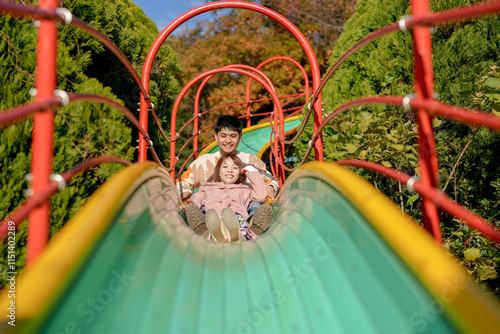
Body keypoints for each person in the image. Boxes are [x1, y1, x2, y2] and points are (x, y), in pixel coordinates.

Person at [176, 115, 278, 236]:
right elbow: (183, 182)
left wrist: (269, 193)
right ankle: (204, 229)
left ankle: (252, 228)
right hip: (212, 211)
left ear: (240, 138)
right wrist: (188, 200)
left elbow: (270, 182)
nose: (228, 140)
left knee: (254, 204)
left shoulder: (249, 161)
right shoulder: (203, 162)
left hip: (241, 211)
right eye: (223, 136)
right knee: (200, 205)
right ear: (216, 136)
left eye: (233, 136)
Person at [185, 154, 271, 242]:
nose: (230, 170)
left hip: (237, 221)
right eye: (225, 167)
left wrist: (252, 171)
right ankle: (206, 232)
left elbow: (261, 196)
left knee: (239, 227)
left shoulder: (244, 190)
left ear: (240, 173)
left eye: (235, 168)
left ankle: (239, 236)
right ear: (218, 172)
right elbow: (197, 198)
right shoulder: (208, 189)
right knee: (209, 220)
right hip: (215, 221)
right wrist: (191, 204)